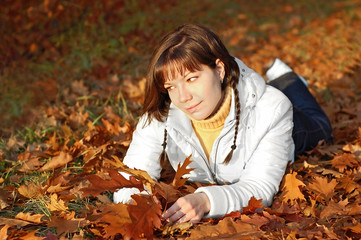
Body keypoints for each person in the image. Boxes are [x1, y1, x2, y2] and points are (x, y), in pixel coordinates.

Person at [113, 24, 333, 223]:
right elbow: (130, 176)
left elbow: (260, 187)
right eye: (171, 86)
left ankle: (288, 80)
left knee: (321, 126)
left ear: (219, 70)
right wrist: (138, 203)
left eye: (191, 79)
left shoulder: (272, 110)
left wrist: (206, 201)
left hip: (287, 129)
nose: (183, 97)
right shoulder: (162, 113)